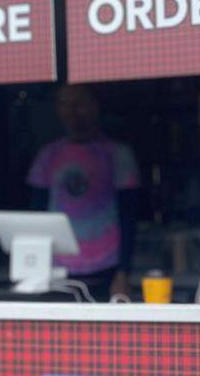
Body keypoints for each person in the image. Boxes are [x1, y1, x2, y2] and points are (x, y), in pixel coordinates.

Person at [28, 84, 139, 301]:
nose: (73, 111)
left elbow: (129, 216)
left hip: (105, 269)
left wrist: (124, 272)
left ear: (94, 106)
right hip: (56, 272)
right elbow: (36, 215)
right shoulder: (48, 155)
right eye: (65, 104)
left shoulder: (117, 154)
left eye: (79, 103)